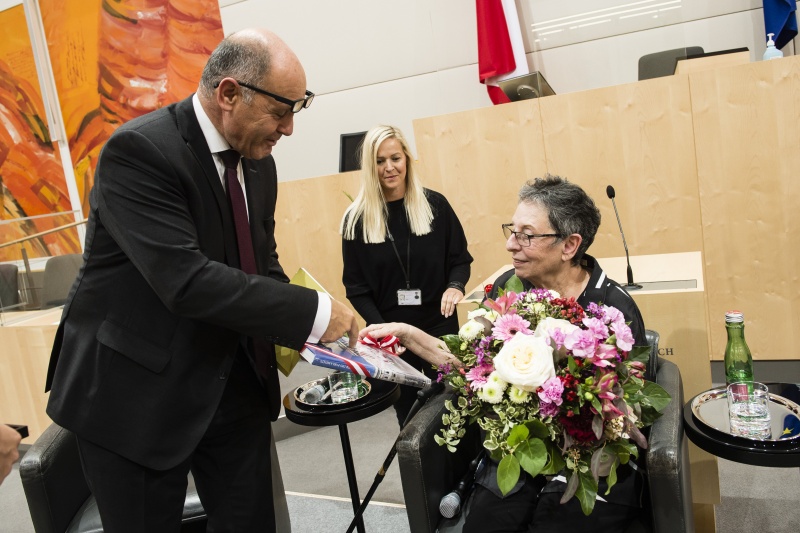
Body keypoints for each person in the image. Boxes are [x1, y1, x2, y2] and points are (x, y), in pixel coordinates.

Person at [44, 28, 358, 532]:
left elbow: (261, 266)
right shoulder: (139, 153)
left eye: (297, 110)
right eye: (281, 111)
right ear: (229, 93)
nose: (288, 129)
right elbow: (186, 281)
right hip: (133, 400)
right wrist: (315, 313)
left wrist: (324, 335)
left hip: (229, 386)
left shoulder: (259, 165)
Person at [361, 175, 648, 532]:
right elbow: (469, 365)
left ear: (570, 245)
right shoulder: (507, 292)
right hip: (520, 449)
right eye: (511, 231)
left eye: (526, 235)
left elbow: (629, 410)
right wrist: (407, 333)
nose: (511, 245)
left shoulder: (612, 309)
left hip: (589, 457)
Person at [340, 124, 473, 425]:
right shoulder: (356, 221)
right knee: (411, 416)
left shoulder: (435, 205)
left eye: (395, 158)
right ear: (369, 167)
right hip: (392, 338)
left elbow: (459, 259)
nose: (389, 167)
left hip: (439, 325)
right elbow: (357, 288)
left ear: (407, 159)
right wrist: (384, 329)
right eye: (379, 161)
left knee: (457, 402)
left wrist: (455, 285)